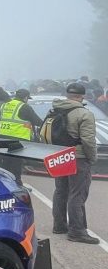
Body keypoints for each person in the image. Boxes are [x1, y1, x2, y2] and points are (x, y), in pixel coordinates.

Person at [51, 83, 99, 244]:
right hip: (78, 157)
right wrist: (92, 158)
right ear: (82, 96)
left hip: (59, 155)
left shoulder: (56, 109)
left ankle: (59, 225)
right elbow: (88, 140)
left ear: (68, 95)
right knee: (77, 194)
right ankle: (77, 231)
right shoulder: (84, 114)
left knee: (60, 191)